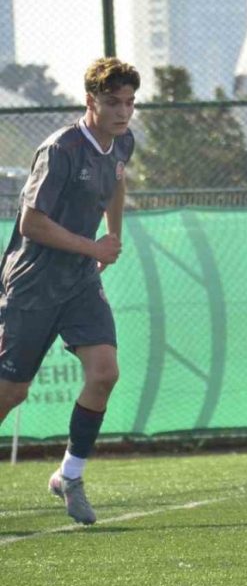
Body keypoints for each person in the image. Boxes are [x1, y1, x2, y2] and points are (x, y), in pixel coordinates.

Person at [0, 57, 140, 525]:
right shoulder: (60, 149)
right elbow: (31, 223)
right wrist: (91, 244)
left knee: (104, 372)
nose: (123, 112)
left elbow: (116, 183)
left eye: (129, 103)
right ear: (90, 102)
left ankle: (70, 476)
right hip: (33, 283)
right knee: (12, 392)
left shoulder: (123, 143)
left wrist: (111, 238)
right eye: (112, 102)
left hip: (79, 281)